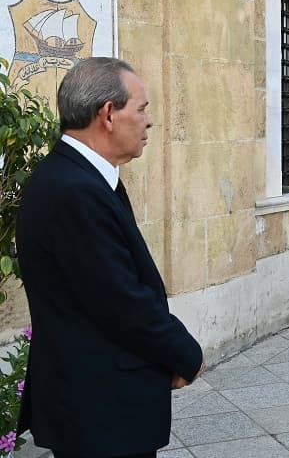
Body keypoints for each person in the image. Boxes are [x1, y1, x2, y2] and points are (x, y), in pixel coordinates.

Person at [15, 58, 205, 458]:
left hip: (101, 401)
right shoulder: (74, 190)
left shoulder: (82, 177)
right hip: (99, 409)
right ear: (107, 114)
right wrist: (185, 353)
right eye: (141, 108)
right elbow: (119, 301)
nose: (149, 121)